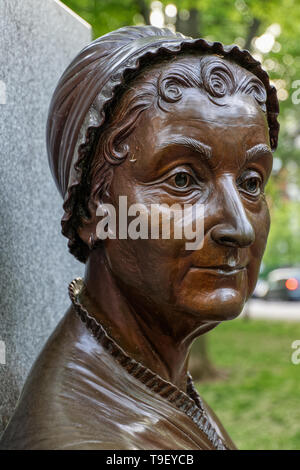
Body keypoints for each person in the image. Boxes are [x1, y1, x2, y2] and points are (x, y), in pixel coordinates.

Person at [0, 25, 279, 450]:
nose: (238, 227)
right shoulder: (80, 440)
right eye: (183, 179)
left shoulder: (150, 374)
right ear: (94, 207)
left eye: (252, 182)